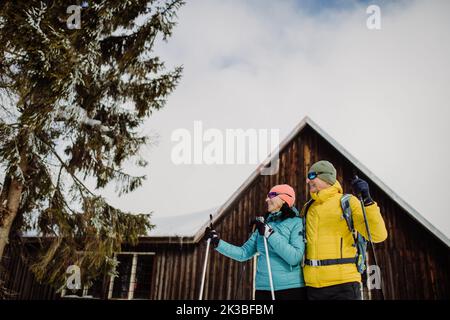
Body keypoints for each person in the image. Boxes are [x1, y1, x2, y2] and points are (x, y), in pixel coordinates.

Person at [302, 160, 388, 300]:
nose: (307, 180)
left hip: (343, 285)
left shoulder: (347, 202)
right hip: (312, 287)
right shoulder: (308, 208)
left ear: (326, 177)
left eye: (312, 176)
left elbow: (378, 235)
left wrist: (367, 200)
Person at [204, 184, 306, 300]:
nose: (267, 199)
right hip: (263, 289)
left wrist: (269, 233)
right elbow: (243, 253)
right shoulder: (264, 225)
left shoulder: (296, 223)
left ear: (284, 199)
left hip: (290, 289)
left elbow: (294, 257)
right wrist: (217, 242)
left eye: (271, 195)